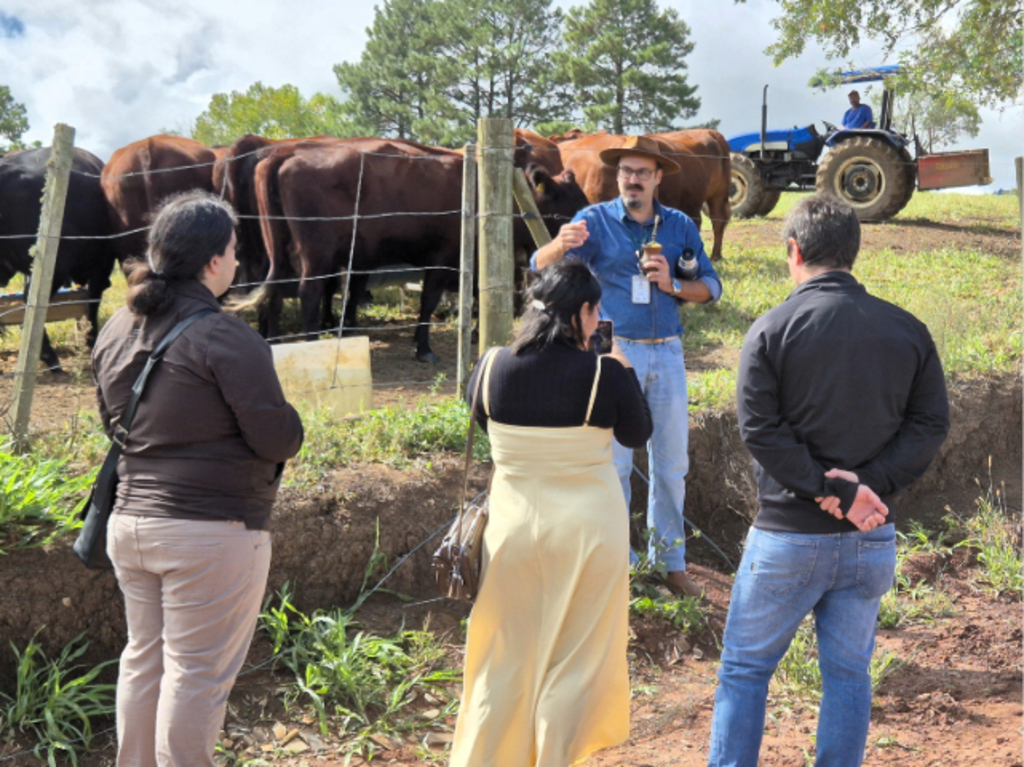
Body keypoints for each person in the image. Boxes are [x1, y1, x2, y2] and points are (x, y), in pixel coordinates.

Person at [707, 194, 950, 767]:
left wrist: (831, 488)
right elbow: (931, 424)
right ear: (854, 252)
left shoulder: (771, 329)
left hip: (788, 538)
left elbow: (760, 431)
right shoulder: (907, 329)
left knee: (745, 670)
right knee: (848, 675)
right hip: (870, 536)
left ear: (793, 251)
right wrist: (869, 486)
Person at [93, 191, 304, 767]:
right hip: (211, 530)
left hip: (130, 523)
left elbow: (112, 422)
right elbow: (275, 438)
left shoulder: (115, 328)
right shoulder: (225, 336)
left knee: (145, 658)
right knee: (196, 675)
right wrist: (295, 421)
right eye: (234, 250)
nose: (237, 261)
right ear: (213, 261)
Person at [450, 259, 653, 767]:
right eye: (595, 310)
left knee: (503, 658)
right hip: (589, 534)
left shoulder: (493, 364)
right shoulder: (604, 373)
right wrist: (621, 363)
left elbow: (477, 411)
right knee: (575, 664)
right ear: (585, 313)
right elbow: (638, 432)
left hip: (512, 533)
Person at [532, 135, 722, 598]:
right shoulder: (592, 221)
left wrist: (673, 283)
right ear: (618, 178)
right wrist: (559, 245)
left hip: (669, 349)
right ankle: (620, 564)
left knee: (672, 464)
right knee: (613, 465)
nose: (632, 180)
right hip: (611, 350)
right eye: (625, 172)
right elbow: (541, 268)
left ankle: (670, 564)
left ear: (658, 178)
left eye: (641, 173)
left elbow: (712, 287)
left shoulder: (677, 225)